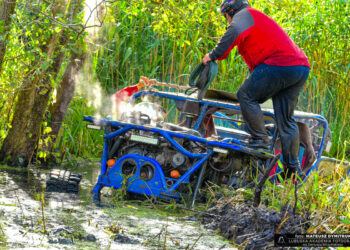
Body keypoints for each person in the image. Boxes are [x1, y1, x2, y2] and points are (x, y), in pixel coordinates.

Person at [202, 0, 310, 178]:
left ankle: (260, 140)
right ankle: (292, 169)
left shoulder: (243, 16)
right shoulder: (255, 19)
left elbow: (233, 32)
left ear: (229, 12)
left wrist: (212, 56)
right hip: (299, 67)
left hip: (279, 64)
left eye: (226, 17)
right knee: (286, 119)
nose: (227, 21)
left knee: (245, 95)